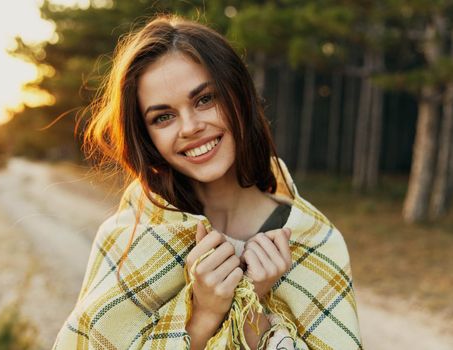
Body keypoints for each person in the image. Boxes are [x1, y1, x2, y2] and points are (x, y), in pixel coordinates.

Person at [54, 15, 362, 350]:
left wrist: (250, 305)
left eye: (205, 99)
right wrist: (202, 313)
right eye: (164, 117)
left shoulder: (315, 240)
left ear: (238, 97)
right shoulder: (130, 235)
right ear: (147, 138)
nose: (189, 127)